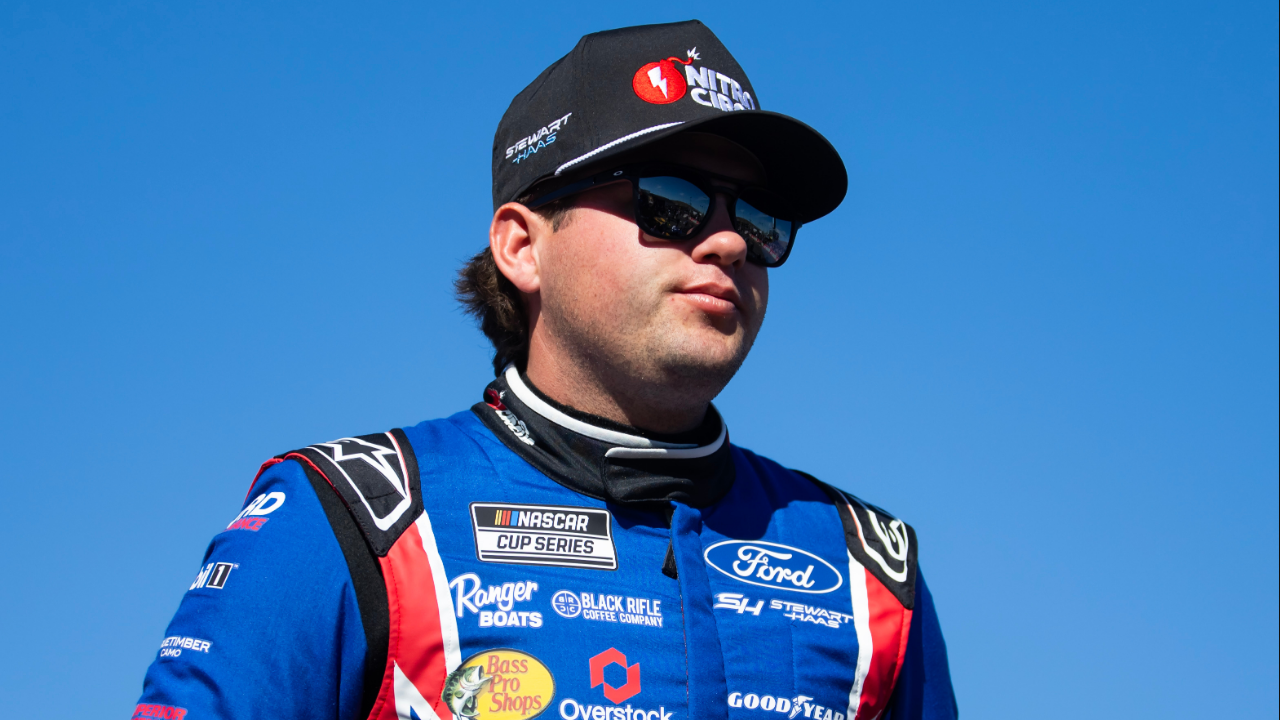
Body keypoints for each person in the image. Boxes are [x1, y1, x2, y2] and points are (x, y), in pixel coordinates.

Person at [132, 20, 957, 720]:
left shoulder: (868, 571)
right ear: (523, 246)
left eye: (760, 218)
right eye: (669, 199)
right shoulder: (348, 518)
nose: (730, 241)